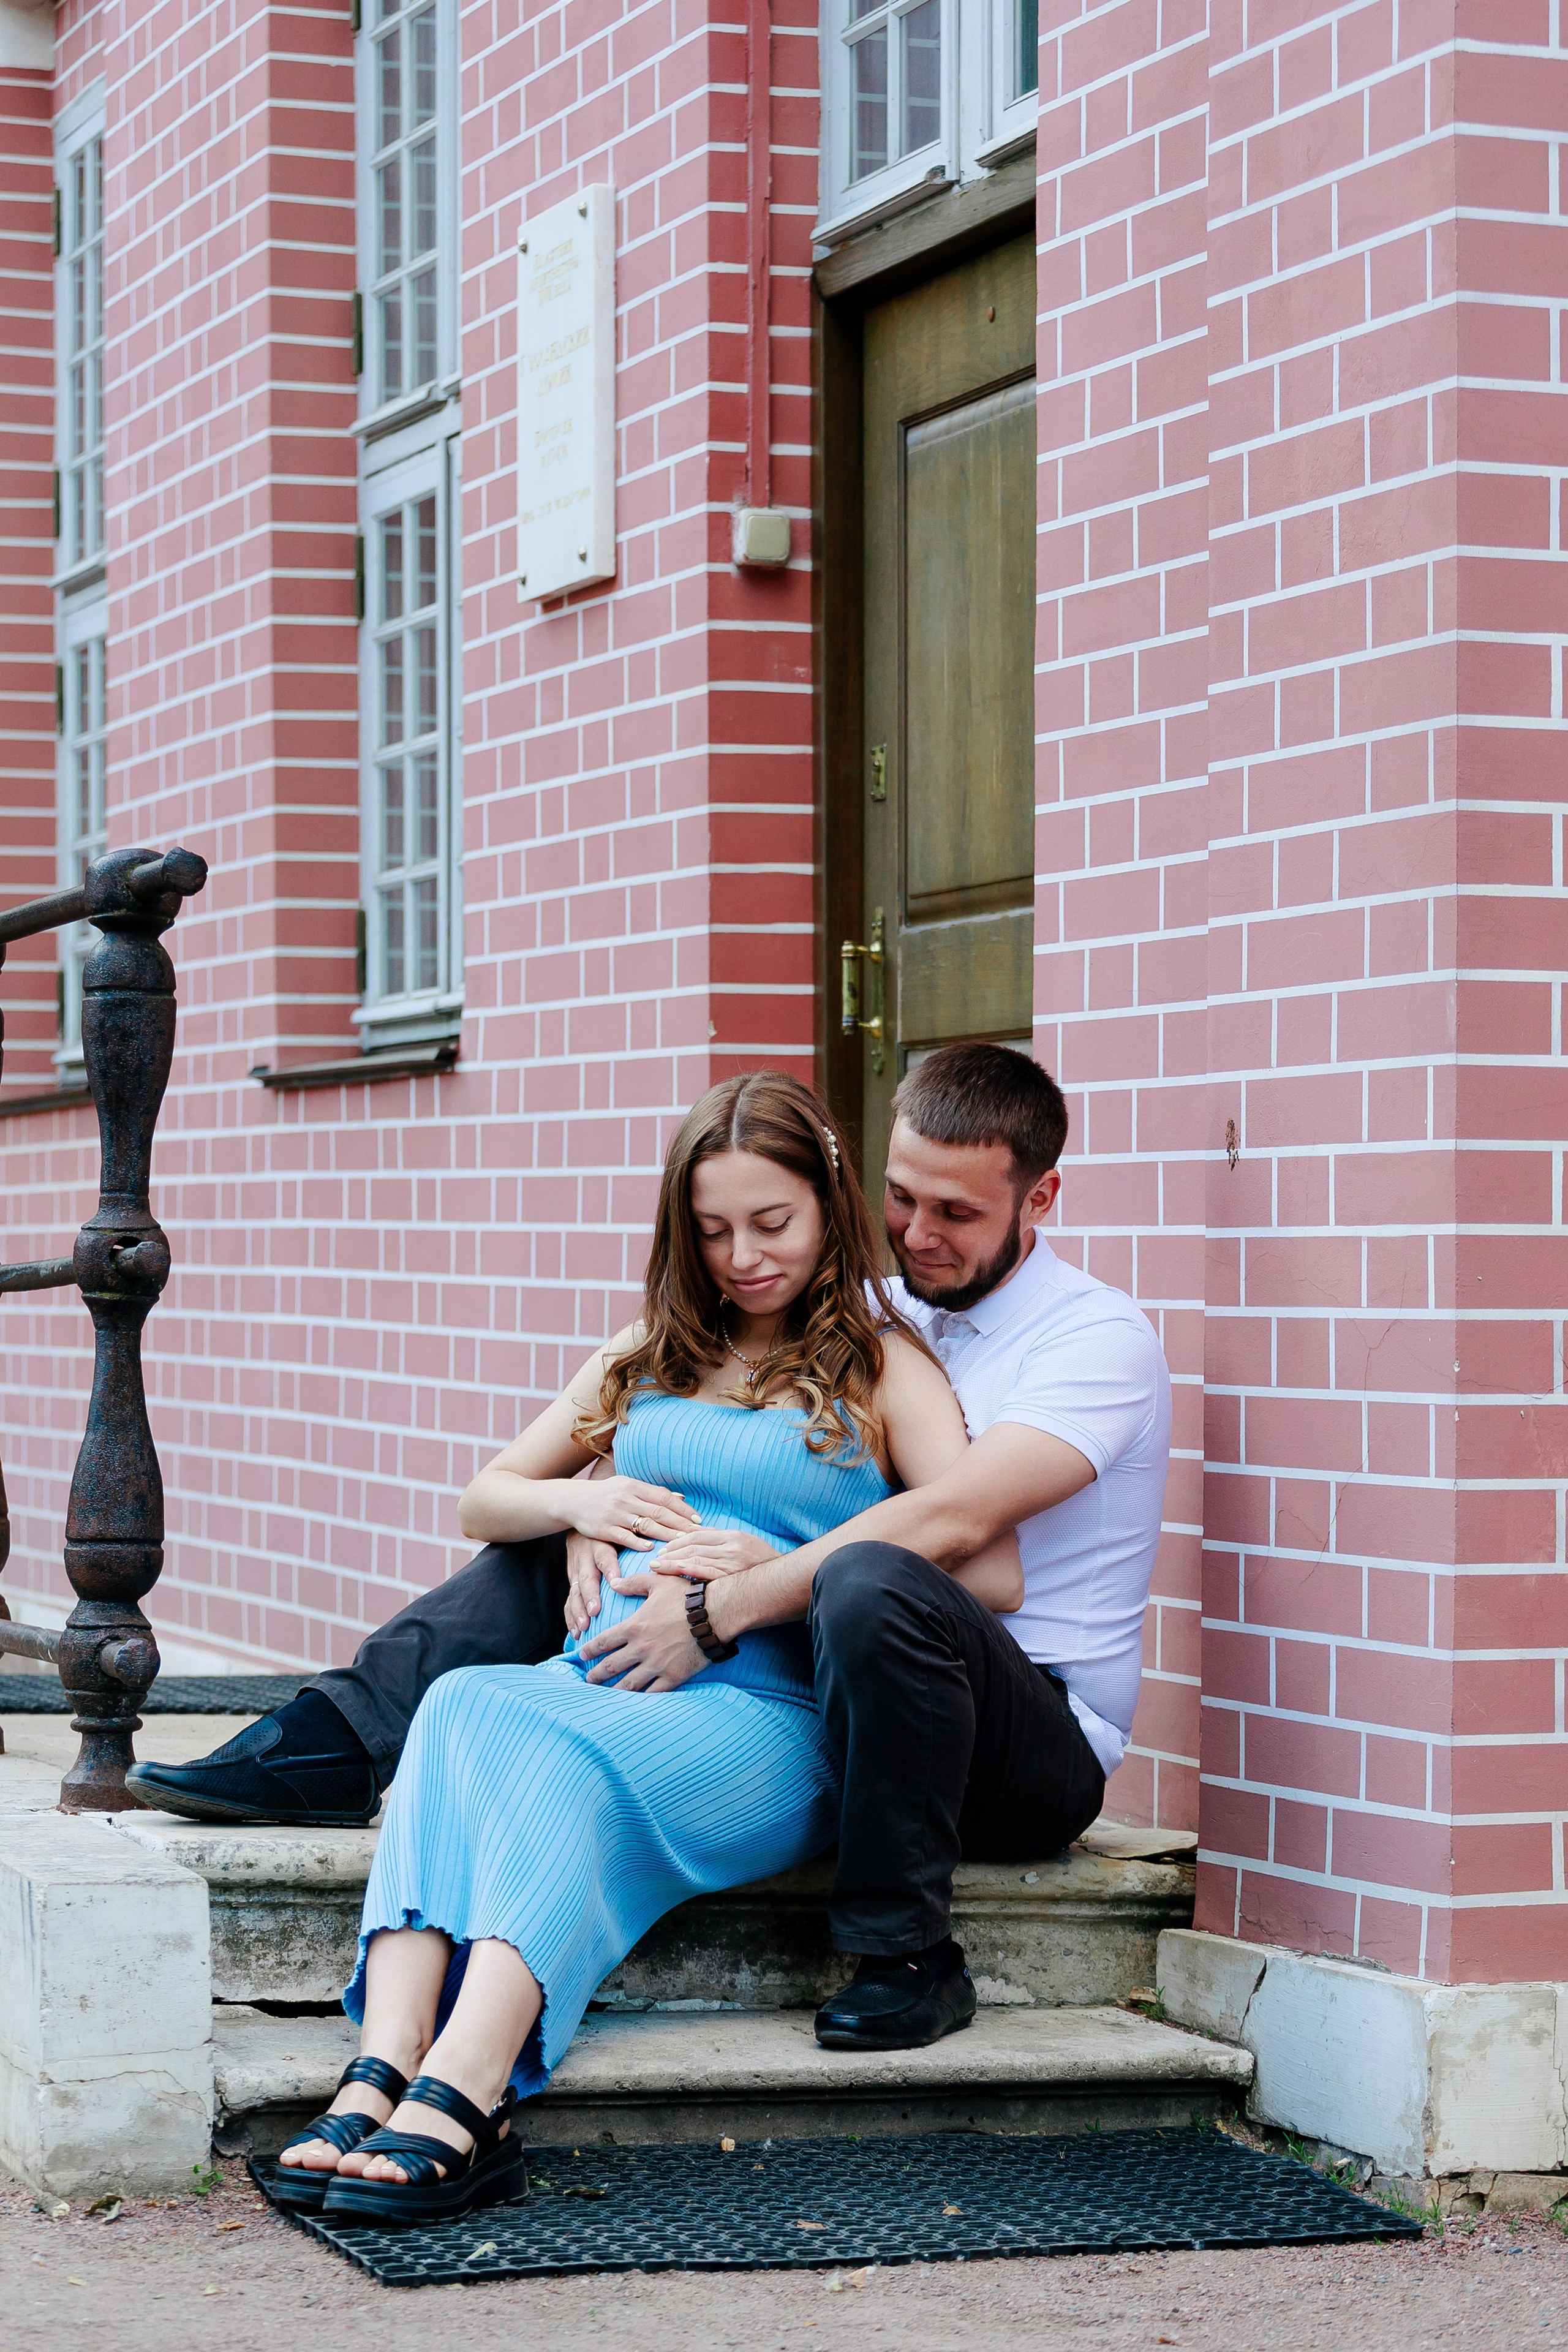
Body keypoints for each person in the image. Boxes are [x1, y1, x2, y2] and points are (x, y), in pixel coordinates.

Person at [129, 1043, 1171, 2058]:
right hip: (841, 1667)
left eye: (957, 1214)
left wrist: (734, 1587)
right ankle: (338, 1744)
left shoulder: (1090, 1341)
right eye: (903, 1199)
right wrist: (585, 1513)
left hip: (1018, 1720)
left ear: (1038, 1201)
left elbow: (955, 1540)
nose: (919, 1234)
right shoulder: (872, 1303)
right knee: (586, 1532)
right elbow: (579, 1467)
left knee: (864, 1574)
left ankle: (904, 1954)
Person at [259, 1072, 1022, 2225]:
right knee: (464, 1700)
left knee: (543, 1748)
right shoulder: (649, 1353)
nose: (743, 1257)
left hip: (767, 1717)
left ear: (829, 1209)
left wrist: (766, 1574)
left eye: (773, 1224)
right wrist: (583, 1510)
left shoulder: (883, 1365)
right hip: (597, 1682)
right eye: (713, 1231)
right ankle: (383, 2060)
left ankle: (471, 2094)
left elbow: (986, 1570)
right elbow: (487, 1497)